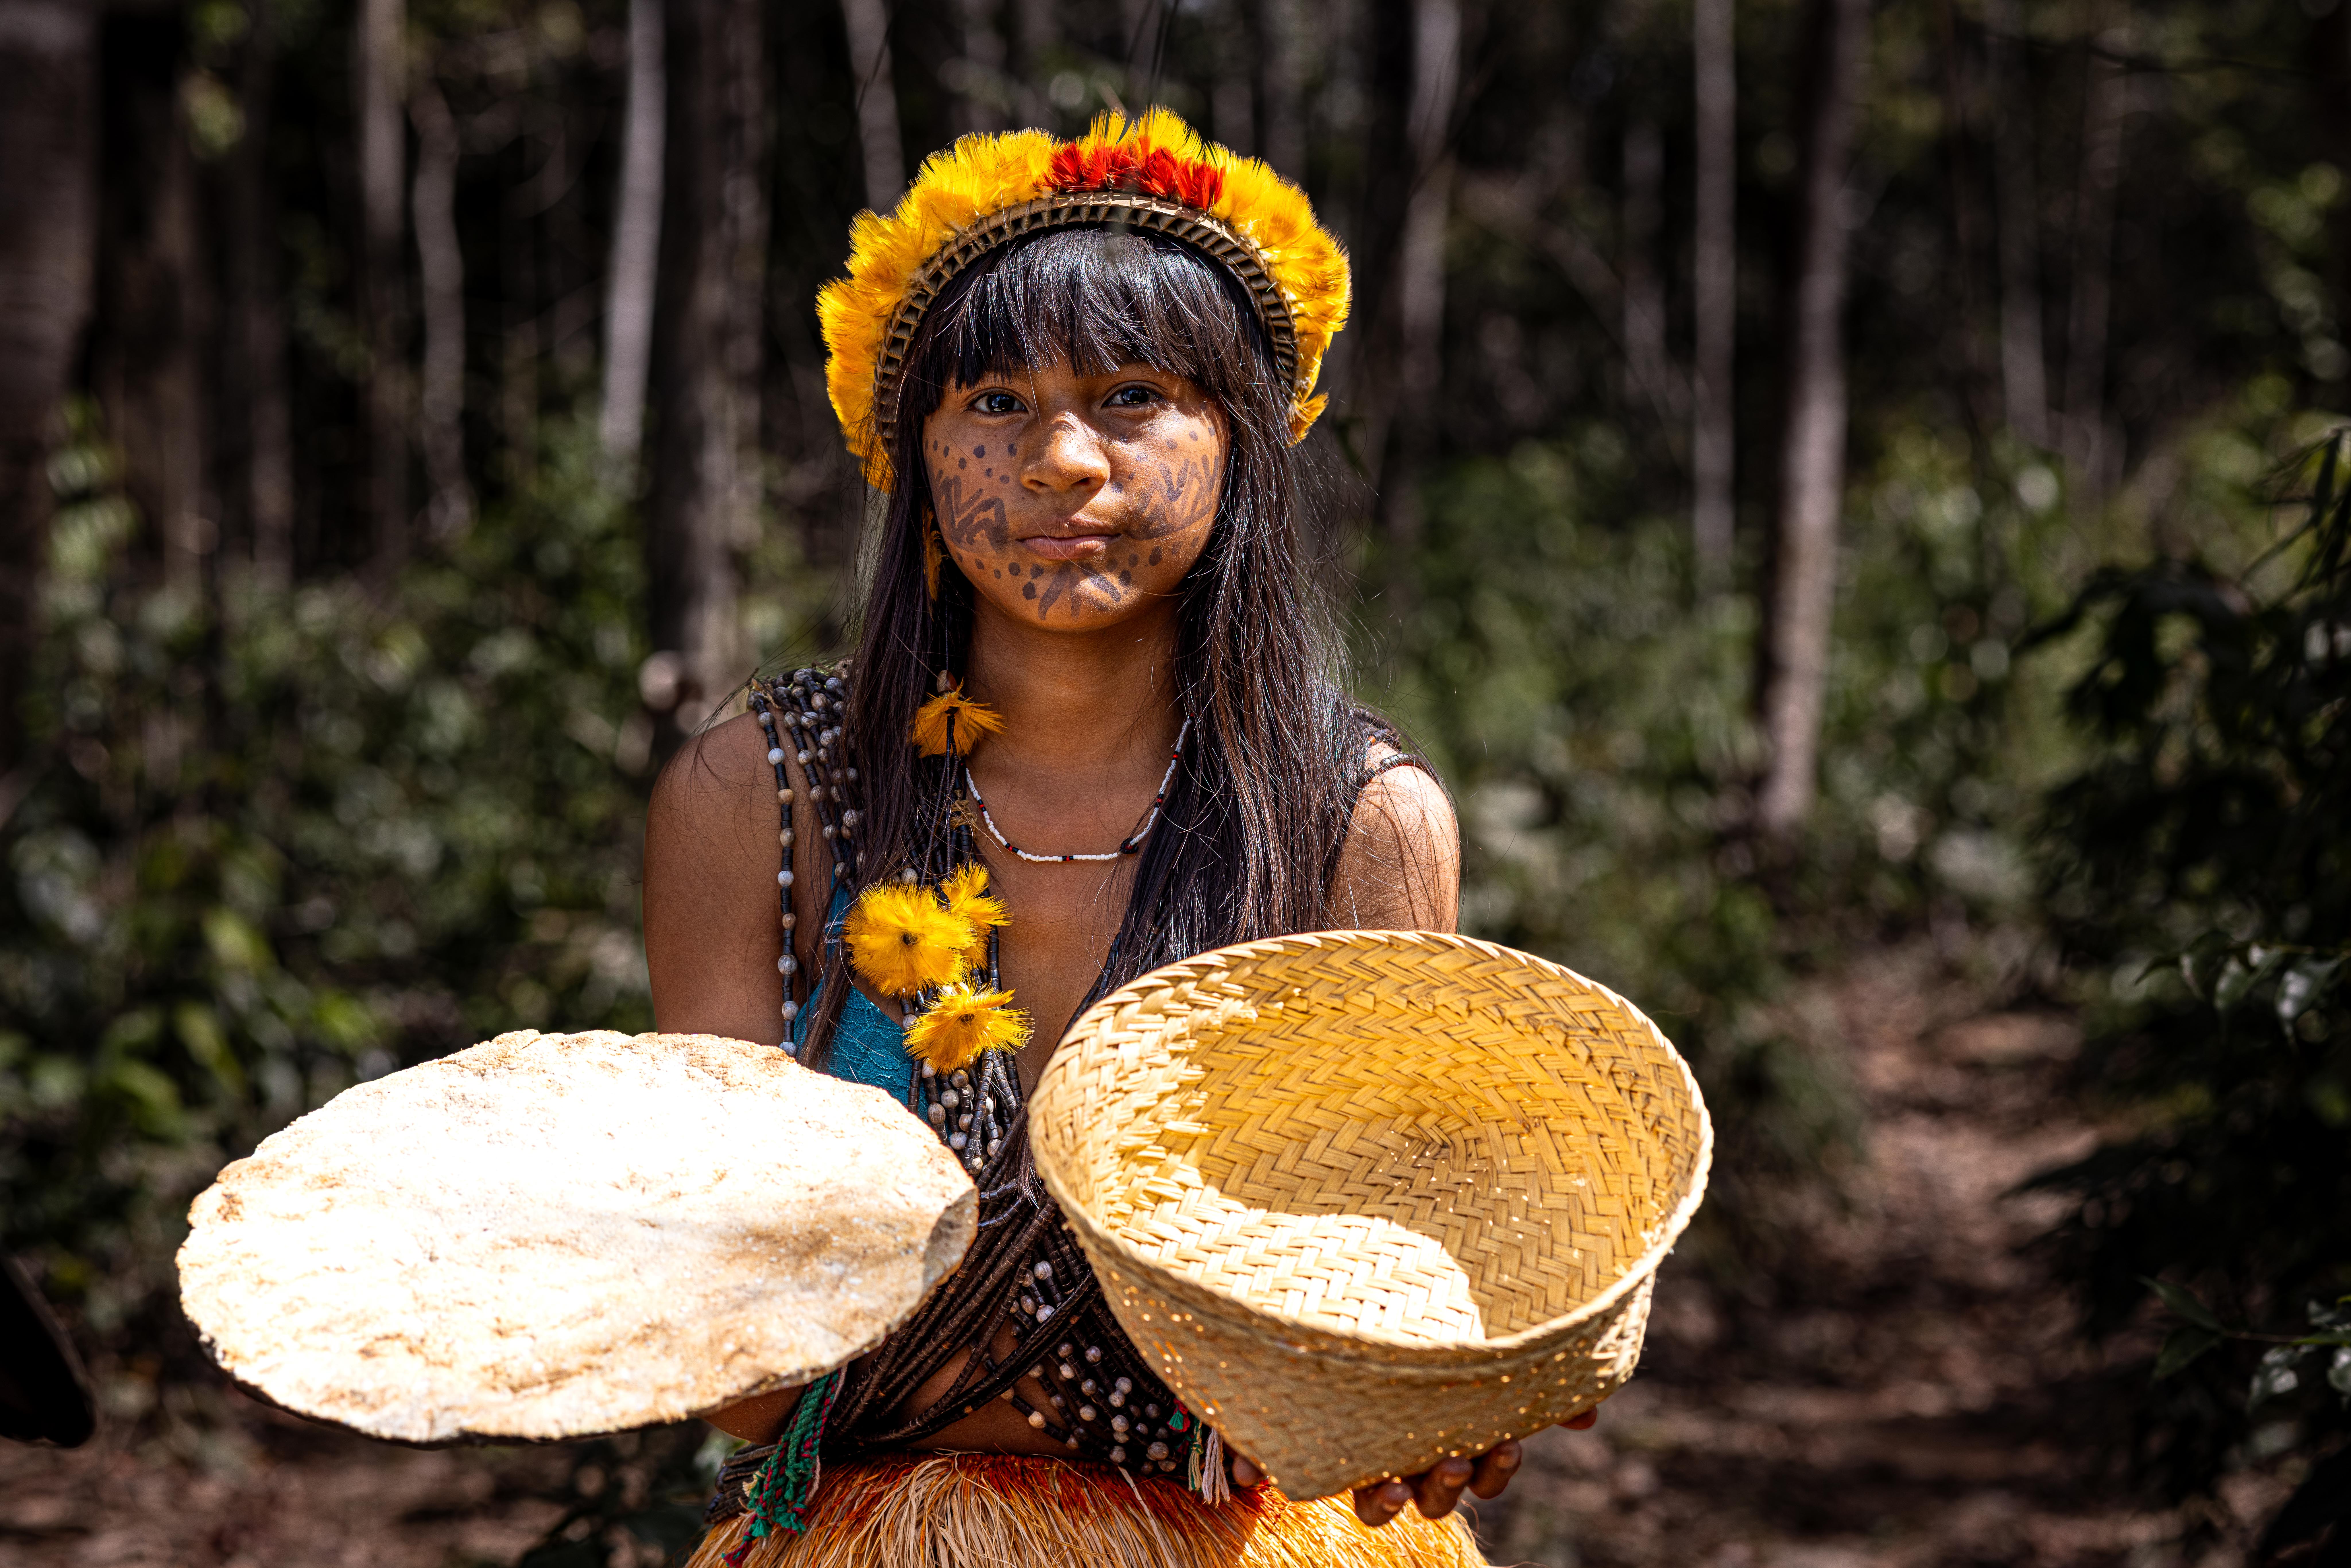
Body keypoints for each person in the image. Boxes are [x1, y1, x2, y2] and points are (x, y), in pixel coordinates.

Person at [644, 108, 1587, 1568]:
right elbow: (748, 1378)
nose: (1063, 463)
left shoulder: (1357, 819)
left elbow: (1370, 1298)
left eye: (1135, 395)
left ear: (1242, 443)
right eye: (997, 404)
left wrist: (1441, 1376)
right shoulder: (760, 792)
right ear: (914, 449)